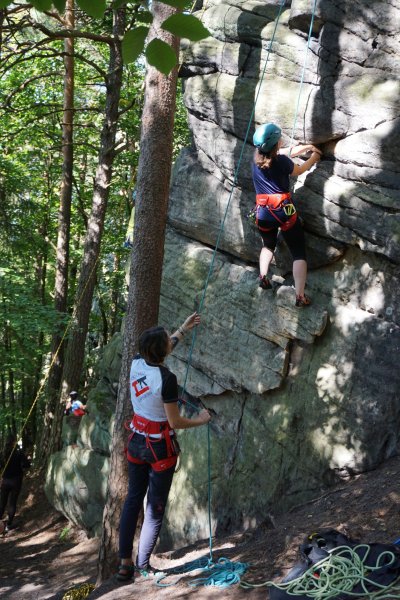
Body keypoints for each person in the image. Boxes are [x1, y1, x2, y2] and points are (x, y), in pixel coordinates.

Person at [116, 312, 211, 582]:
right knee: (154, 507)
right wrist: (200, 420)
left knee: (133, 499)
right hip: (159, 448)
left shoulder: (135, 363)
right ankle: (143, 566)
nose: (172, 341)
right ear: (163, 352)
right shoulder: (167, 379)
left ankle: (125, 564)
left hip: (136, 442)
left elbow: (162, 347)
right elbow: (175, 421)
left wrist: (183, 328)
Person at [252, 122, 322, 306]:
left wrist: (306, 147)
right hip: (285, 209)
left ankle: (263, 275)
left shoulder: (256, 158)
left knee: (268, 245)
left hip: (263, 211)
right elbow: (299, 170)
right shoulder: (281, 161)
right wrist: (314, 156)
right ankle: (299, 296)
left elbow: (287, 152)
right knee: (298, 252)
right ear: (277, 143)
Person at [0, 435, 31, 531]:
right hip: (16, 481)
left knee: (2, 502)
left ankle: (0, 523)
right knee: (12, 502)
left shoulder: (2, 454)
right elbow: (26, 465)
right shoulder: (18, 453)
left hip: (5, 481)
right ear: (14, 442)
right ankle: (8, 524)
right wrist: (25, 462)